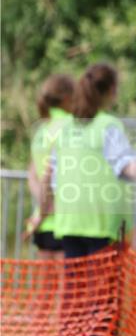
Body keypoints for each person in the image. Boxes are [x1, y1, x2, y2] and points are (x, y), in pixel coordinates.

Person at [47, 62, 136, 259]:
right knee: (102, 289)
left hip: (69, 221)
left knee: (75, 288)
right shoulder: (107, 125)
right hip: (100, 223)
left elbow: (54, 176)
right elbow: (127, 164)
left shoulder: (65, 128)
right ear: (111, 90)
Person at [23, 74, 75, 259]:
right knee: (68, 287)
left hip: (42, 221)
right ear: (68, 98)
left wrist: (41, 212)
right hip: (65, 221)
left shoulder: (41, 131)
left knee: (46, 287)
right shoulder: (70, 126)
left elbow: (33, 176)